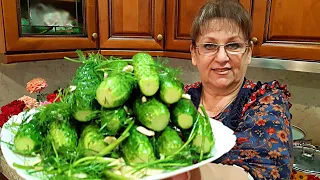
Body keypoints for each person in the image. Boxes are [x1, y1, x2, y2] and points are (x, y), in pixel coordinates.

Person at [169, 0, 293, 179]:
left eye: (233, 45)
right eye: (209, 46)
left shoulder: (266, 101)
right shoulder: (180, 98)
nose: (221, 57)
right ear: (194, 53)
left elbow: (266, 173)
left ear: (248, 53)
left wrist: (180, 174)